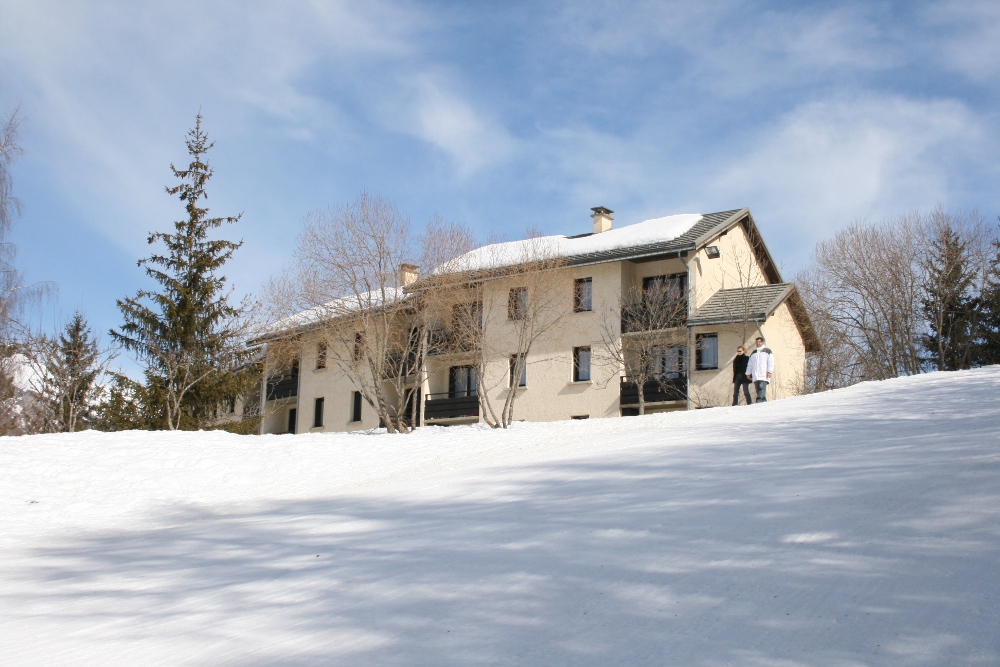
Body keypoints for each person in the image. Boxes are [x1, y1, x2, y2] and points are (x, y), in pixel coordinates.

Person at [745, 336, 774, 403]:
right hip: (756, 374)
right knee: (758, 388)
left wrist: (769, 371)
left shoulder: (767, 351)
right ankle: (763, 401)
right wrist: (748, 373)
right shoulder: (754, 353)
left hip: (763, 373)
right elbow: (750, 364)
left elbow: (771, 361)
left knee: (761, 387)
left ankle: (759, 400)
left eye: (759, 342)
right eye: (757, 342)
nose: (758, 343)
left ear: (762, 342)